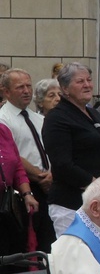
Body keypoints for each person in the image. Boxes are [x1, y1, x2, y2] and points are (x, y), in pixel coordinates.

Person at [41, 62, 100, 236]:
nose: (87, 85)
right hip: (71, 205)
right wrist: (97, 185)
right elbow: (62, 164)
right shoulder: (57, 118)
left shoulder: (93, 113)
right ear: (65, 88)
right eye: (80, 81)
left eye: (89, 80)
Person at [0, 68, 54, 252]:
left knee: (47, 238)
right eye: (20, 87)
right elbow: (13, 156)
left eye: (29, 86)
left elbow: (48, 149)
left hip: (47, 185)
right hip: (24, 186)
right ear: (6, 91)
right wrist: (40, 176)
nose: (26, 91)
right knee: (25, 243)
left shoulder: (38, 118)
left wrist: (50, 174)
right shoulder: (4, 119)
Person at [0, 123, 39, 257]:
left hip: (6, 203)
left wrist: (27, 194)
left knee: (13, 253)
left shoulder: (3, 130)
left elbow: (17, 167)